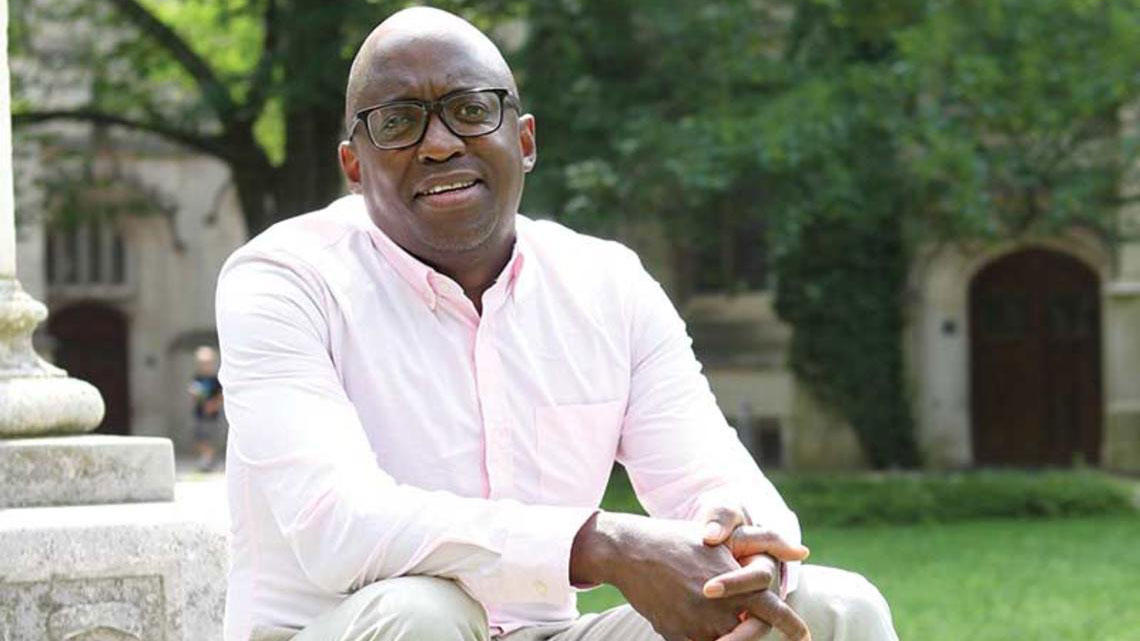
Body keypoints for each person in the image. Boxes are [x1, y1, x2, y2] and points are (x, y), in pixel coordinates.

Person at [215, 7, 899, 641]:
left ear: (525, 139)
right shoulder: (283, 280)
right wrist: (600, 543)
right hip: (351, 625)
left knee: (833, 610)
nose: (439, 143)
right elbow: (340, 527)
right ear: (353, 166)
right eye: (398, 122)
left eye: (469, 109)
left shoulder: (607, 284)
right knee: (422, 611)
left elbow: (715, 478)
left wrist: (749, 554)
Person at [188, 345, 224, 472]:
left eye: (207, 363)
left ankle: (209, 460)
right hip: (199, 413)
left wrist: (213, 405)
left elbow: (221, 396)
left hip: (212, 415)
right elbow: (193, 392)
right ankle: (205, 459)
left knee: (210, 437)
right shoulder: (197, 377)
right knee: (200, 437)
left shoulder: (216, 380)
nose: (205, 366)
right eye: (202, 363)